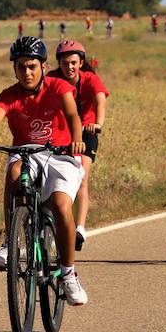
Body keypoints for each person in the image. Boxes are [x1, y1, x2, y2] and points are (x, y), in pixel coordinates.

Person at [0, 37, 88, 305]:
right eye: (21, 67)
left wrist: (77, 138)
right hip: (25, 151)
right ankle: (11, 242)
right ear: (15, 69)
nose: (27, 72)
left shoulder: (59, 86)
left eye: (32, 66)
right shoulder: (9, 95)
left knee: (60, 203)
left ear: (43, 67)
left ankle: (68, 274)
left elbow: (72, 115)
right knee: (13, 173)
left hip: (61, 154)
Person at [54, 40, 109, 253]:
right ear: (59, 63)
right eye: (65, 63)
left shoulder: (90, 79)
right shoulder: (52, 78)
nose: (69, 67)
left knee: (82, 178)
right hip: (63, 132)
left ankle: (79, 228)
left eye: (74, 63)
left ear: (81, 62)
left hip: (87, 132)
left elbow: (100, 100)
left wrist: (98, 124)